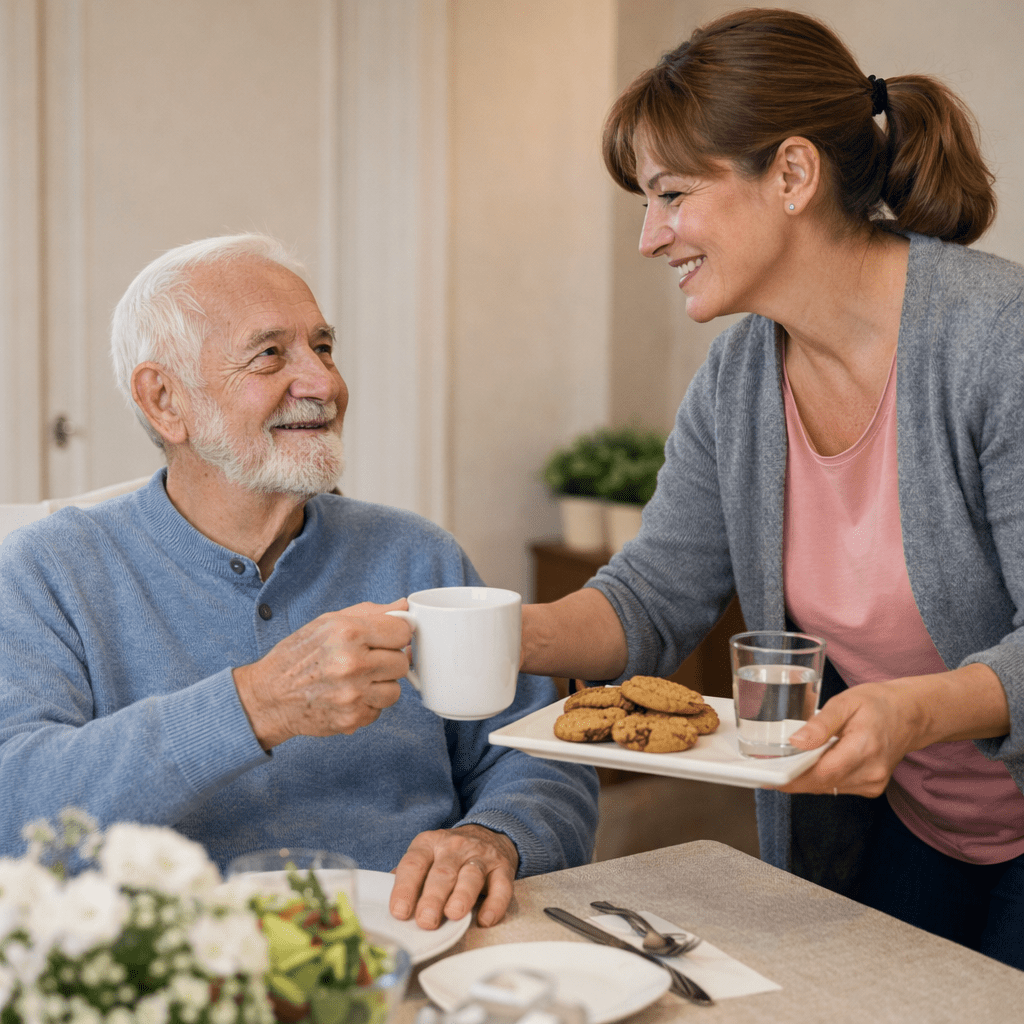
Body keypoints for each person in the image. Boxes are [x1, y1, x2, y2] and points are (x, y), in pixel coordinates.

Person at [520, 8, 1024, 968]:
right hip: (916, 820)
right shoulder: (739, 379)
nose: (648, 237)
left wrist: (912, 710)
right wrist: (487, 635)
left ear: (793, 174)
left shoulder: (996, 341)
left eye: (669, 194)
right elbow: (652, 598)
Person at [0, 233, 598, 931]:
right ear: (164, 400)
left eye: (323, 347)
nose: (324, 383)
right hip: (179, 979)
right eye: (271, 354)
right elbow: (18, 808)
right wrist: (256, 704)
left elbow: (540, 755)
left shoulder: (416, 554)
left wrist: (497, 835)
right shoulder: (47, 572)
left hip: (421, 953)